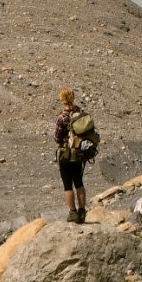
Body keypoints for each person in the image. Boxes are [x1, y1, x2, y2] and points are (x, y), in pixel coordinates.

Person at [54, 87, 98, 223]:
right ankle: (82, 211)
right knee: (79, 182)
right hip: (79, 153)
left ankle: (73, 213)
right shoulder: (80, 114)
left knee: (68, 185)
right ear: (72, 97)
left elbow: (57, 138)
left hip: (65, 154)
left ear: (62, 99)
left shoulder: (62, 117)